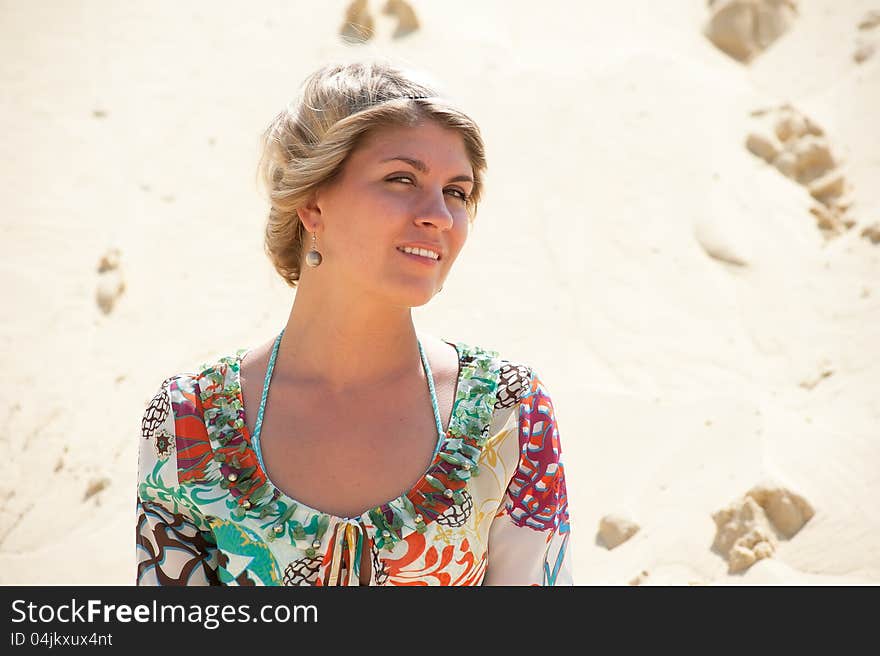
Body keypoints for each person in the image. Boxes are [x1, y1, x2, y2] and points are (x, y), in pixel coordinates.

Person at [135, 59, 572, 586]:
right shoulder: (188, 422)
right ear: (312, 203)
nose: (438, 214)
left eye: (457, 191)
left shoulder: (507, 412)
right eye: (401, 179)